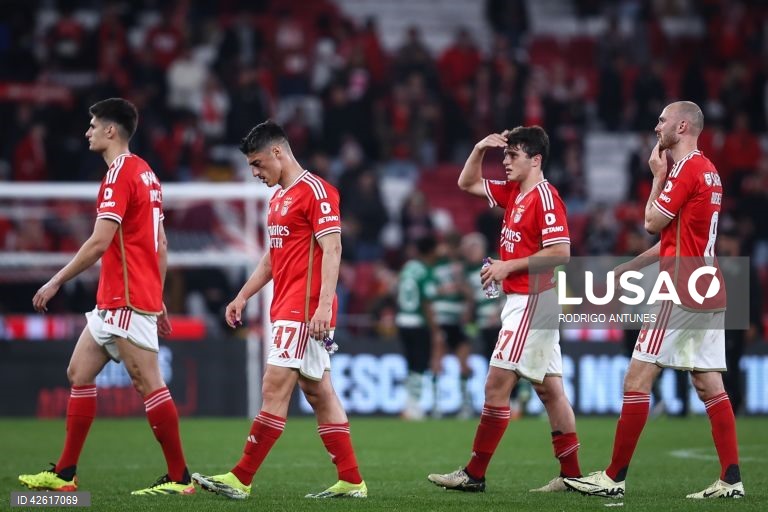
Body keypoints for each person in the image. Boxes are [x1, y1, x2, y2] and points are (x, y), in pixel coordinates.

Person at [564, 101, 745, 499]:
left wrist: (657, 176)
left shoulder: (684, 170)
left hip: (680, 291)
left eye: (662, 120)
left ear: (682, 126)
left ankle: (613, 476)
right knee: (709, 382)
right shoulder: (710, 171)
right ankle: (731, 480)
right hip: (708, 286)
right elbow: (675, 238)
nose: (656, 126)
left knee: (636, 379)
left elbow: (650, 223)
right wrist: (630, 267)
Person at [18, 98, 194, 495]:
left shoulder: (118, 175)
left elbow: (99, 243)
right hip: (117, 297)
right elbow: (160, 242)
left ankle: (180, 478)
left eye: (94, 125)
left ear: (111, 131)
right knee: (79, 373)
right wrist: (161, 296)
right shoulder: (147, 173)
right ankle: (64, 475)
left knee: (148, 383)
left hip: (126, 299)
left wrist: (55, 280)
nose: (88, 132)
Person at [190, 121, 367, 499]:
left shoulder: (316, 191)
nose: (255, 173)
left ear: (277, 153)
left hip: (304, 309)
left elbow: (333, 249)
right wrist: (242, 296)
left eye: (257, 164)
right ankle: (352, 480)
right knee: (319, 392)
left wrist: (322, 306)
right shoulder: (277, 199)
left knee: (273, 388)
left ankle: (240, 477)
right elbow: (273, 258)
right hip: (288, 306)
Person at [428, 126, 582, 493]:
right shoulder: (515, 191)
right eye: (504, 156)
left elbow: (561, 253)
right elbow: (468, 184)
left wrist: (505, 266)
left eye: (513, 156)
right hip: (528, 301)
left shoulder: (546, 198)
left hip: (533, 302)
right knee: (551, 391)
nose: (506, 162)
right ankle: (572, 476)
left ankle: (474, 473)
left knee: (496, 385)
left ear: (536, 160)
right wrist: (480, 147)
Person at [396, 234, 442, 421]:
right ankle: (413, 406)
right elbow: (427, 303)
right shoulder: (425, 270)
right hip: (417, 322)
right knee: (419, 365)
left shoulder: (408, 267)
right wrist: (435, 330)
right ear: (431, 251)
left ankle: (409, 403)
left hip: (402, 320)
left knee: (411, 364)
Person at [431, 232, 474, 418]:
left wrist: (463, 291)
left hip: (457, 320)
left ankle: (465, 405)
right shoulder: (436, 265)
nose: (452, 249)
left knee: (463, 363)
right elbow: (429, 291)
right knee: (437, 361)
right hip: (441, 320)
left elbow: (471, 294)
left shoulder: (465, 267)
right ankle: (436, 405)